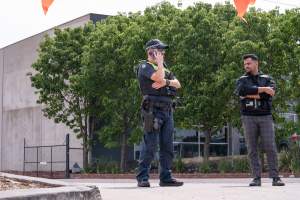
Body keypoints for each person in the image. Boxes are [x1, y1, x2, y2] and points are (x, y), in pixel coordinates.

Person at [135, 39, 183, 187]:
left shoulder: (166, 68)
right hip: (152, 110)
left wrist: (166, 82)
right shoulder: (145, 66)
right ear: (151, 51)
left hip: (167, 110)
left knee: (167, 146)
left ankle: (166, 177)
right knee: (150, 144)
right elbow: (158, 78)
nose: (163, 53)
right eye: (159, 50)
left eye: (163, 51)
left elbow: (178, 84)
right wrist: (160, 67)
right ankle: (143, 177)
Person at [235, 54, 285, 186]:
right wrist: (263, 90)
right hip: (248, 116)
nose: (246, 66)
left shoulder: (267, 78)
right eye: (245, 64)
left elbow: (269, 95)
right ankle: (256, 178)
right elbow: (241, 91)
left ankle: (275, 177)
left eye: (249, 63)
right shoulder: (242, 79)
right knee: (252, 148)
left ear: (256, 63)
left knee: (270, 146)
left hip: (265, 116)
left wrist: (249, 95)